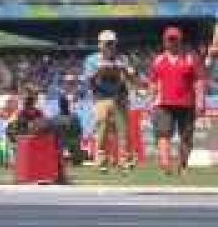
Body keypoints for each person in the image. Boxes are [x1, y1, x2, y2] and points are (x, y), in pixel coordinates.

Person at [148, 26, 207, 176]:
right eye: (170, 39)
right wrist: (150, 101)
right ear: (164, 41)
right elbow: (153, 83)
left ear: (180, 40)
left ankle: (182, 165)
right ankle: (166, 165)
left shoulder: (191, 57)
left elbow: (199, 81)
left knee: (186, 137)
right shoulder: (159, 60)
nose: (172, 42)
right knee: (163, 134)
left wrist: (200, 101)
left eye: (175, 39)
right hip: (163, 104)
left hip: (187, 103)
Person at [83, 30, 136, 172]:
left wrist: (124, 70)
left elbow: (131, 78)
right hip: (101, 97)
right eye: (107, 43)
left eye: (112, 43)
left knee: (122, 129)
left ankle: (124, 160)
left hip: (120, 97)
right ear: (100, 44)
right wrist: (101, 70)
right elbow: (89, 79)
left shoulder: (122, 59)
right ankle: (101, 160)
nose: (110, 46)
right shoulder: (92, 59)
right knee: (102, 128)